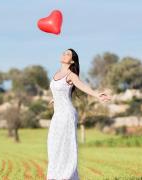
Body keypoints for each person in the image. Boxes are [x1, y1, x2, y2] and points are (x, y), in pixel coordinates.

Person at [46, 48, 111, 180]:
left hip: (67, 115)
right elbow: (60, 90)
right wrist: (55, 98)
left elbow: (82, 86)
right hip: (57, 115)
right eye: (64, 52)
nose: (64, 54)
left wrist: (97, 95)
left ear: (72, 60)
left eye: (68, 54)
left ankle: (65, 177)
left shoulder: (71, 75)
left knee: (65, 146)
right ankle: (55, 176)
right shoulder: (57, 73)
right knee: (53, 146)